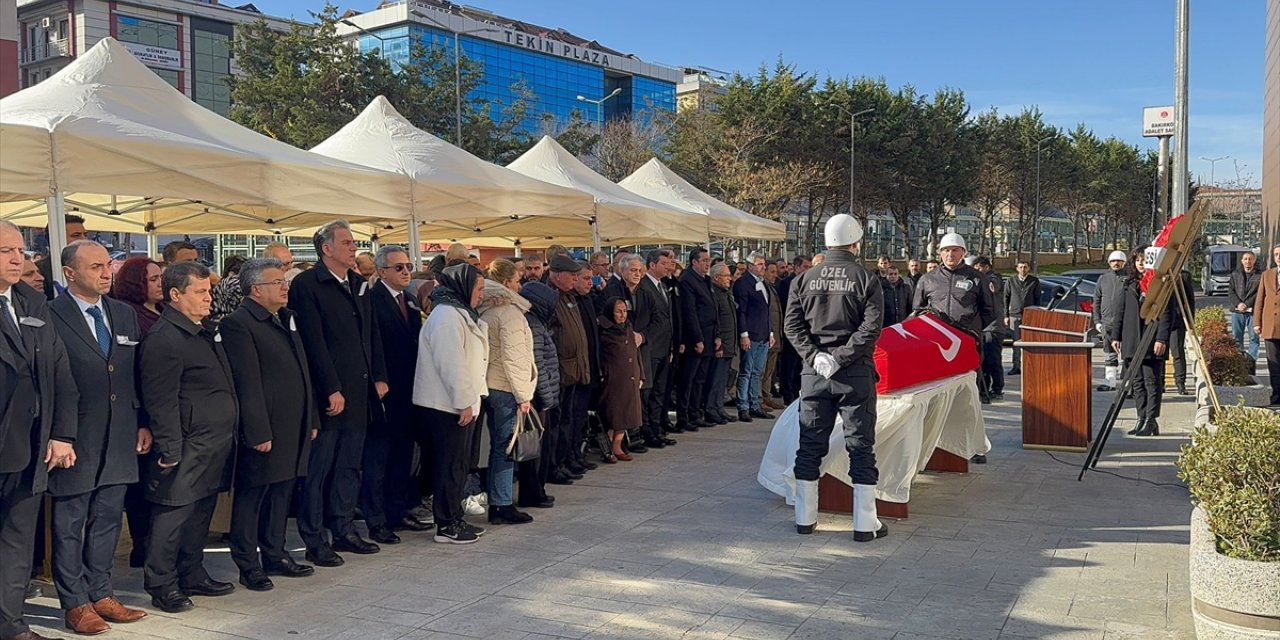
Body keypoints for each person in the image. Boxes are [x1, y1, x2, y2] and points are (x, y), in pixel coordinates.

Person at [46, 241, 149, 634]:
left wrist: (143, 421)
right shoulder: (51, 315)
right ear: (70, 273)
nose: (106, 273)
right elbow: (51, 381)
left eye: (108, 265)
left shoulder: (122, 314)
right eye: (96, 267)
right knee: (71, 521)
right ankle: (75, 603)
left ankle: (101, 591)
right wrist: (59, 434)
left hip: (121, 432)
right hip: (75, 436)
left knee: (107, 517)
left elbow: (133, 372)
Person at [287, 220, 389, 567]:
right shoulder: (307, 285)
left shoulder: (358, 283)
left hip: (361, 389)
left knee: (349, 466)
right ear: (326, 248)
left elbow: (371, 333)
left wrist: (379, 375)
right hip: (329, 394)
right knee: (320, 470)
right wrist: (330, 387)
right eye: (346, 242)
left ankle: (343, 528)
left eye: (353, 242)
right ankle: (315, 538)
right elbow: (313, 341)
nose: (353, 247)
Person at [138, 261, 237, 613]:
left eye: (208, 290)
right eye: (200, 292)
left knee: (200, 511)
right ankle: (161, 583)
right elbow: (160, 398)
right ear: (175, 295)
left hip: (212, 441)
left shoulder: (200, 330)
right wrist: (170, 446)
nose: (208, 297)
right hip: (186, 443)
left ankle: (192, 571)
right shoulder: (165, 338)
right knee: (173, 512)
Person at [783, 214, 885, 542]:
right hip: (853, 372)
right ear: (856, 243)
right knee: (860, 444)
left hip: (814, 374)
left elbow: (792, 327)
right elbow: (871, 329)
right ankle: (865, 524)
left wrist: (816, 357)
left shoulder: (803, 280)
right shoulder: (866, 279)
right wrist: (840, 357)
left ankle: (805, 518)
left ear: (826, 243)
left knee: (810, 444)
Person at [219, 258, 317, 593]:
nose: (284, 286)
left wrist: (312, 417)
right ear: (256, 288)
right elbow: (247, 381)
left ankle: (275, 553)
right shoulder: (239, 323)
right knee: (253, 496)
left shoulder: (285, 318)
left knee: (281, 492)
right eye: (277, 281)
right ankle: (248, 564)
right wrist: (258, 431)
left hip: (293, 423)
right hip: (265, 428)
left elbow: (304, 371)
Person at [0, 221, 78, 640]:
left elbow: (60, 372)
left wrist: (62, 433)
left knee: (16, 541)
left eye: (21, 251)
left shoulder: (33, 302)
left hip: (29, 447)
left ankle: (11, 623)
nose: (18, 259)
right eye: (5, 251)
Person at [413, 264, 489, 544]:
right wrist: (463, 402)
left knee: (457, 464)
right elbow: (451, 364)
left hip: (460, 403)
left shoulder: (459, 313)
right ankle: (446, 524)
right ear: (463, 287)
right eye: (478, 289)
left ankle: (454, 517)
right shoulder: (447, 316)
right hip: (447, 406)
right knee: (450, 465)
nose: (480, 295)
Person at [361, 246, 428, 545]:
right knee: (379, 459)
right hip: (385, 390)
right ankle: (376, 519)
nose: (405, 272)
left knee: (403, 455)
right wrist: (379, 378)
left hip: (409, 390)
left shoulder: (410, 299)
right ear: (381, 271)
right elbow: (371, 345)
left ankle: (397, 511)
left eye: (408, 266)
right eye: (398, 267)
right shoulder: (372, 301)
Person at [476, 259, 536, 526]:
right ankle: (501, 504)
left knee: (497, 447)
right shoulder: (509, 312)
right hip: (506, 387)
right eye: (517, 280)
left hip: (490, 384)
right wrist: (524, 396)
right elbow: (515, 357)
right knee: (506, 447)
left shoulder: (485, 308)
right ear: (507, 283)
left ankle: (497, 501)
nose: (520, 284)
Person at [1110, 249, 1173, 436]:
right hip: (1131, 339)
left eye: (1144, 260)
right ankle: (1141, 417)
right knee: (1136, 383)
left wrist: (1161, 338)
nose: (1141, 263)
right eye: (1138, 260)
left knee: (1151, 381)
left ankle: (1151, 419)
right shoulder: (1128, 283)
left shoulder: (1160, 284)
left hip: (1150, 338)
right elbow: (1119, 311)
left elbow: (1166, 314)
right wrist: (1116, 336)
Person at [544, 257, 590, 486]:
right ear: (557, 275)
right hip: (560, 371)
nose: (575, 278)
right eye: (571, 275)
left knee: (568, 419)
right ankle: (553, 465)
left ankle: (564, 460)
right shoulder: (550, 298)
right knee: (557, 422)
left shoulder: (570, 297)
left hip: (574, 369)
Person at [517, 281, 559, 509]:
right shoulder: (533, 324)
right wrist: (546, 397)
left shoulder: (536, 322)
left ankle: (537, 490)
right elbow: (538, 365)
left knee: (539, 448)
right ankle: (532, 493)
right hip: (538, 397)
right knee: (535, 448)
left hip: (541, 395)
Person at [633, 249, 679, 446]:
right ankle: (646, 431)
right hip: (650, 348)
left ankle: (656, 427)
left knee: (660, 392)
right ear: (652, 265)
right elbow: (646, 320)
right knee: (648, 392)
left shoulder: (662, 286)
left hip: (663, 348)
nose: (668, 266)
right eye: (663, 263)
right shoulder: (644, 287)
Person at [597, 297, 644, 462]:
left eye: (624, 311)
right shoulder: (603, 330)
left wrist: (641, 375)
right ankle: (610, 447)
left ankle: (618, 444)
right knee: (614, 413)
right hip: (614, 378)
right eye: (618, 311)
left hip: (631, 376)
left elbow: (636, 352)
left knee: (627, 413)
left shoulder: (628, 328)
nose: (622, 315)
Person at [677, 248, 717, 430]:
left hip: (709, 335)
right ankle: (684, 416)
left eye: (709, 260)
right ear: (694, 262)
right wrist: (698, 339)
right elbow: (690, 312)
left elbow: (713, 308)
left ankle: (695, 412)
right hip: (695, 337)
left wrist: (716, 335)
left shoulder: (706, 280)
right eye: (704, 260)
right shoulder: (687, 281)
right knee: (689, 379)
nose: (707, 264)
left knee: (700, 378)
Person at [733, 252, 774, 423]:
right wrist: (744, 335)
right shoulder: (743, 284)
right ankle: (743, 406)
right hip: (751, 334)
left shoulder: (763, 283)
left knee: (757, 371)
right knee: (746, 371)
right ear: (750, 266)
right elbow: (741, 311)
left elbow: (767, 310)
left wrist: (770, 332)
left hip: (763, 334)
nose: (763, 267)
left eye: (763, 264)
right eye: (759, 264)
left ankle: (755, 404)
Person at [972, 257, 1007, 402]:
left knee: (993, 360)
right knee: (983, 361)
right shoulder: (979, 279)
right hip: (982, 328)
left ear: (986, 267)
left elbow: (994, 285)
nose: (977, 270)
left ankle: (997, 389)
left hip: (994, 328)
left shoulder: (994, 277)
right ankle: (983, 388)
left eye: (979, 267)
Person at [706, 263, 738, 425]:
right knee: (715, 379)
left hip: (729, 343)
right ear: (717, 277)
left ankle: (719, 407)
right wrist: (717, 340)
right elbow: (715, 319)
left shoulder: (725, 293)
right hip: (720, 345)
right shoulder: (714, 294)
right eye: (726, 276)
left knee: (723, 379)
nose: (730, 279)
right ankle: (711, 408)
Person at [777, 255, 811, 404]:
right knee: (789, 364)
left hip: (805, 329)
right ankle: (787, 393)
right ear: (796, 267)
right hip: (791, 328)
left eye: (810, 267)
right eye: (805, 267)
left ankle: (797, 392)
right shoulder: (786, 284)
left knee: (799, 364)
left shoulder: (810, 283)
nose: (808, 270)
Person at [1093, 251, 1128, 392]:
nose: (1116, 263)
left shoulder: (1129, 278)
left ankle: (1128, 385)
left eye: (1119, 261)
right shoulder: (1103, 279)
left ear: (1124, 263)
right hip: (1107, 323)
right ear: (1109, 263)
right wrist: (1097, 320)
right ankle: (1110, 382)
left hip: (1125, 323)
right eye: (1113, 261)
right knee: (1109, 354)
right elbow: (1096, 300)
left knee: (1127, 355)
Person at [34, 214, 91, 299]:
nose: (84, 239)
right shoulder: (39, 270)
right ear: (56, 238)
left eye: (85, 235)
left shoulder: (93, 265)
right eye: (76, 235)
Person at [1253, 245, 1280, 405]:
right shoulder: (1267, 275)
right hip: (1270, 326)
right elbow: (1260, 300)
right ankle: (1276, 394)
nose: (1278, 257)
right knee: (1273, 364)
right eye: (1276, 254)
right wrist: (1257, 322)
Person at [1004, 260, 1041, 375]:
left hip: (1029, 315)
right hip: (1014, 315)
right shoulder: (1011, 281)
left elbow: (1037, 298)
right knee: (1016, 342)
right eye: (1020, 267)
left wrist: (1036, 314)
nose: (1023, 269)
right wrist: (1006, 315)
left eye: (1025, 267)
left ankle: (1030, 366)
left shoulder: (1034, 281)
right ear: (1017, 269)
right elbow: (1005, 298)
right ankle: (1016, 366)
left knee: (1029, 342)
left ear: (1028, 268)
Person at [760, 260, 786, 411]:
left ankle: (767, 396)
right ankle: (760, 398)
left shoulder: (772, 288)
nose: (775, 275)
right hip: (766, 335)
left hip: (775, 335)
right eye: (772, 272)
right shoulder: (763, 288)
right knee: (762, 369)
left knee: (770, 369)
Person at [1229, 250, 1262, 360]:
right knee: (1237, 338)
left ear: (1254, 260)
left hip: (1253, 312)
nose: (1248, 261)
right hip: (1237, 312)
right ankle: (1239, 361)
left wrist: (1246, 304)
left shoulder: (1260, 275)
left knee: (1254, 338)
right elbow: (1231, 291)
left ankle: (1251, 363)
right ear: (1242, 261)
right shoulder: (1235, 274)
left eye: (1250, 259)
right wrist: (1238, 304)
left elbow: (1259, 293)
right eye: (1246, 259)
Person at [1168, 269, 1197, 395]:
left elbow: (1190, 300)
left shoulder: (1183, 275)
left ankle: (1180, 382)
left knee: (1177, 352)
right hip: (1160, 320)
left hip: (1177, 320)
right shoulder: (1158, 274)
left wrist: (1191, 320)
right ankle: (1160, 382)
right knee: (1158, 354)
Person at [208, 254, 248, 324]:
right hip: (233, 323)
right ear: (231, 274)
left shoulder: (220, 285)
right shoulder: (234, 282)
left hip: (216, 321)